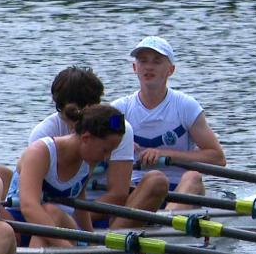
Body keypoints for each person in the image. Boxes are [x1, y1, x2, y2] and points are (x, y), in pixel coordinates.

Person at [28, 66, 168, 229]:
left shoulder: (118, 127)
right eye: (70, 115)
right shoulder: (43, 133)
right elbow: (36, 198)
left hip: (107, 213)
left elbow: (118, 194)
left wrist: (75, 219)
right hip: (59, 213)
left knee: (156, 181)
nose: (76, 123)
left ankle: (110, 244)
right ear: (60, 108)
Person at [111, 36, 226, 209]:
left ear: (170, 70)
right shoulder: (119, 110)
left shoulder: (186, 106)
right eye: (143, 61)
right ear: (135, 68)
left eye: (157, 61)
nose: (149, 67)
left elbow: (217, 158)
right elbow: (95, 149)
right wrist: (119, 145)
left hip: (179, 189)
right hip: (135, 189)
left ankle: (167, 221)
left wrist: (165, 154)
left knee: (194, 177)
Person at [6, 104, 126, 254]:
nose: (107, 157)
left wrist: (92, 243)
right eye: (105, 150)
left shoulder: (88, 161)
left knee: (51, 212)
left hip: (56, 226)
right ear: (86, 138)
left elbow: (80, 204)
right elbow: (29, 207)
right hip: (22, 224)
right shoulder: (41, 152)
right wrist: (69, 248)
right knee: (49, 211)